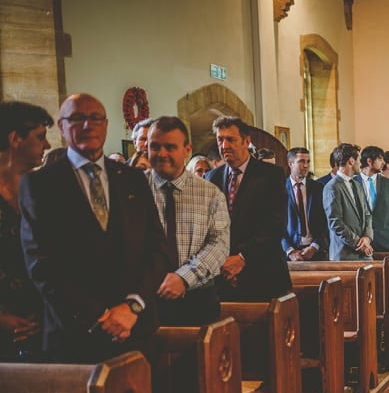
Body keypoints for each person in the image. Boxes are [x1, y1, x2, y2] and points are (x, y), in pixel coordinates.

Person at [19, 93, 169, 362]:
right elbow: (41, 264)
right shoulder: (40, 185)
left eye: (95, 118)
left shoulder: (133, 179)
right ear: (62, 126)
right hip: (76, 335)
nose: (88, 125)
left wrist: (132, 306)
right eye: (77, 119)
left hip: (137, 330)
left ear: (106, 124)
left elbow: (156, 248)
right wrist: (99, 316)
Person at [147, 116, 229, 325]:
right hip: (145, 300)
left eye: (170, 147)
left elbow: (219, 244)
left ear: (187, 149)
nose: (161, 153)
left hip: (197, 299)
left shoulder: (210, 193)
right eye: (154, 146)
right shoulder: (133, 189)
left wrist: (184, 278)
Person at [205, 115, 290, 301]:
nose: (224, 145)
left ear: (246, 141)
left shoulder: (270, 175)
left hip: (263, 273)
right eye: (220, 139)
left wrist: (243, 258)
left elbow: (275, 225)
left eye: (231, 139)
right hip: (223, 277)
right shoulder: (211, 178)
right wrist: (222, 261)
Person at [0, 101, 52, 360]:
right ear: (15, 139)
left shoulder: (46, 193)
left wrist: (47, 315)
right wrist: (3, 319)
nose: (48, 145)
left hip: (43, 323)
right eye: (40, 137)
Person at [322, 143, 373, 261]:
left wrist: (367, 238)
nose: (361, 164)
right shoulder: (332, 187)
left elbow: (367, 214)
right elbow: (335, 223)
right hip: (345, 254)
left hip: (365, 253)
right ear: (351, 161)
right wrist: (358, 243)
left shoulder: (357, 184)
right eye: (359, 160)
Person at [354, 145, 389, 253]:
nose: (383, 162)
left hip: (386, 244)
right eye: (380, 159)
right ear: (369, 161)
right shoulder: (352, 184)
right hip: (361, 244)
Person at [283, 146, 328, 261]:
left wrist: (315, 246)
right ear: (290, 163)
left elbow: (325, 221)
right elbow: (274, 225)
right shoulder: (279, 188)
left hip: (316, 252)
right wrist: (290, 251)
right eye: (301, 161)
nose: (306, 165)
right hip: (289, 253)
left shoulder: (318, 188)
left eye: (308, 161)